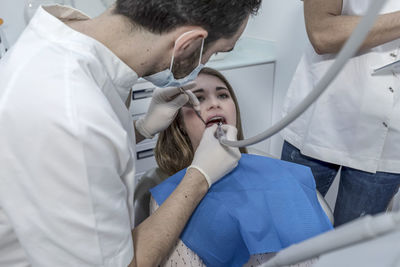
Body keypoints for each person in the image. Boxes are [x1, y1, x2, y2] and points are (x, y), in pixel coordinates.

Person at [0, 1, 262, 266]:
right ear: (189, 44)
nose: (206, 63)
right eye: (214, 53)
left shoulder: (74, 48)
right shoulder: (71, 114)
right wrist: (199, 178)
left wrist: (140, 129)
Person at [147, 68, 333, 266]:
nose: (215, 103)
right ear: (180, 123)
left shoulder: (278, 173)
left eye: (223, 95)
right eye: (198, 98)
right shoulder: (169, 198)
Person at [280, 0, 400, 227]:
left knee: (352, 253)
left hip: (390, 131)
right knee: (287, 232)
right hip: (324, 114)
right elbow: (322, 33)